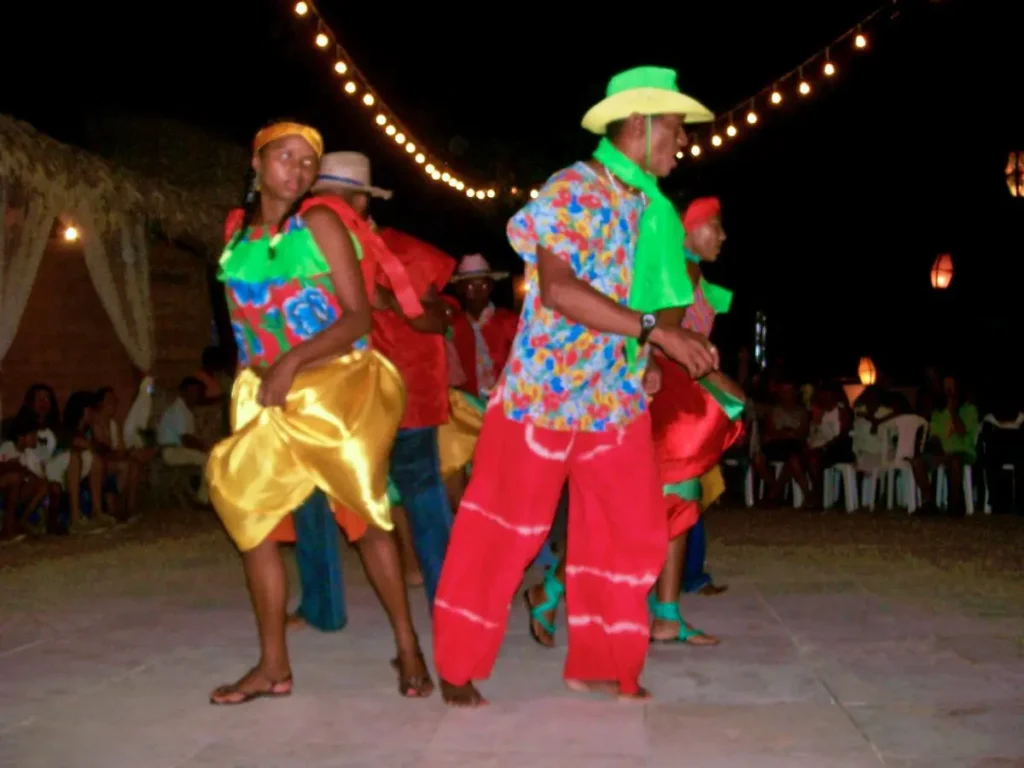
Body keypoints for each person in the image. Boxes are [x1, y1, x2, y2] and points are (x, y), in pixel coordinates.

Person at [432, 66, 718, 707]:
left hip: (612, 397)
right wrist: (654, 332)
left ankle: (604, 660)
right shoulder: (572, 189)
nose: (681, 142)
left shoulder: (653, 210)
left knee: (636, 532)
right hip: (545, 393)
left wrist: (653, 345)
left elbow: (665, 295)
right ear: (640, 124)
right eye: (674, 128)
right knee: (505, 528)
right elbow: (557, 291)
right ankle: (457, 663)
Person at [205, 121, 432, 704]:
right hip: (267, 392)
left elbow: (357, 316)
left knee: (367, 515)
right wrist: (247, 377)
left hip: (334, 384)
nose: (299, 170)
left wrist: (290, 364)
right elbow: (244, 322)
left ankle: (408, 648)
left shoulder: (322, 223)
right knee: (249, 518)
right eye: (286, 158)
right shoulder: (236, 235)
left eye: (308, 162)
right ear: (256, 164)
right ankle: (273, 668)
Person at [524, 197, 743, 650]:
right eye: (714, 227)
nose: (722, 236)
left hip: (672, 400)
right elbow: (665, 336)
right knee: (631, 514)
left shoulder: (691, 274)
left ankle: (663, 616)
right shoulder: (677, 274)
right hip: (660, 401)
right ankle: (554, 587)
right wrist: (719, 382)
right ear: (686, 233)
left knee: (677, 502)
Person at [157, 378, 210, 506]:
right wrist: (205, 448)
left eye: (196, 392)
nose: (195, 395)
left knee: (206, 457)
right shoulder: (179, 410)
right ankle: (202, 499)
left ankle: (197, 495)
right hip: (171, 451)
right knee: (208, 460)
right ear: (183, 392)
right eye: (191, 392)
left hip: (176, 450)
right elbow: (186, 439)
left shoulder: (185, 410)